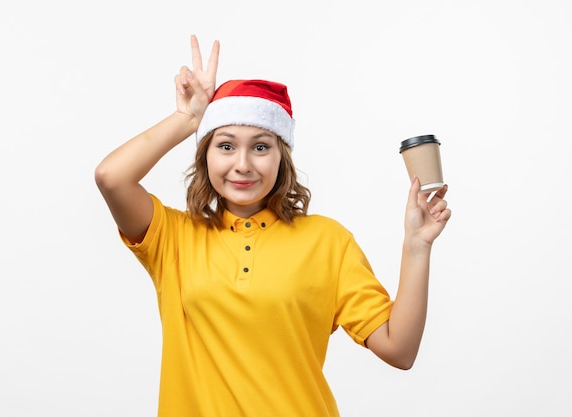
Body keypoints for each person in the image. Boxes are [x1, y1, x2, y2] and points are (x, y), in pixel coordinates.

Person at [95, 34, 451, 417]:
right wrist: (188, 118)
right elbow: (111, 177)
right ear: (205, 155)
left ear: (282, 156)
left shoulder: (327, 241)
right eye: (226, 145)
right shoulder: (174, 237)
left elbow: (399, 350)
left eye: (261, 146)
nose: (243, 164)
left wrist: (417, 247)